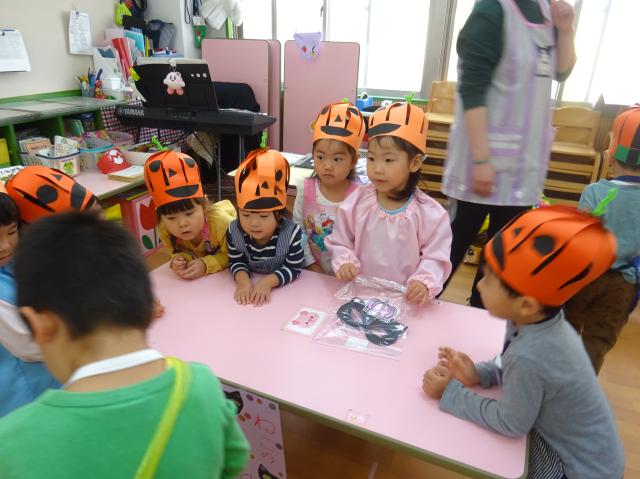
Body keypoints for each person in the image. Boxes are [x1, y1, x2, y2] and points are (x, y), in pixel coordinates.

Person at [0, 212, 250, 478]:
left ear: (40, 325)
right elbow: (234, 459)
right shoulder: (201, 386)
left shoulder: (13, 441)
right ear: (145, 298)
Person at [423, 205, 625, 478]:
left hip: (578, 469)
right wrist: (479, 374)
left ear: (526, 304)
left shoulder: (531, 354)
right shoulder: (538, 322)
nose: (479, 285)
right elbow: (513, 363)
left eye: (489, 279)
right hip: (582, 448)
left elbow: (511, 423)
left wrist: (450, 392)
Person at [441, 0, 577, 307]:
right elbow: (471, 89)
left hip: (522, 168)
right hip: (481, 161)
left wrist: (566, 29)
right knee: (450, 251)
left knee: (499, 263)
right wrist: (481, 160)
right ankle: (410, 317)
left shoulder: (547, 10)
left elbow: (561, 70)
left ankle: (480, 323)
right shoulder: (491, 10)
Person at [326, 102, 452, 305]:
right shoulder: (358, 201)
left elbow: (436, 257)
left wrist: (423, 281)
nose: (377, 168)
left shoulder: (430, 213)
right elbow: (340, 240)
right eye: (371, 158)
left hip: (405, 301)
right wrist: (344, 260)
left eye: (388, 160)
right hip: (359, 295)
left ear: (415, 163)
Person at [564, 105, 640, 372]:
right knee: (597, 341)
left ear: (610, 155)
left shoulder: (594, 191)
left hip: (587, 275)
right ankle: (582, 386)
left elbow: (580, 238)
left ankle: (557, 377)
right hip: (623, 285)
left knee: (566, 329)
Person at [0, 183, 59, 417]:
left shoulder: (15, 261)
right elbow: (30, 346)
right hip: (27, 395)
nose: (4, 246)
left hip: (51, 379)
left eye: (11, 232)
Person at [292, 102, 365, 274]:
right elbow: (298, 230)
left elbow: (363, 240)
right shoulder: (305, 189)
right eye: (320, 157)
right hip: (311, 271)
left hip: (347, 274)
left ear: (354, 160)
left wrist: (350, 267)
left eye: (337, 159)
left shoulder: (360, 196)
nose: (327, 166)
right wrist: (310, 264)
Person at [227, 148, 304, 306]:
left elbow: (294, 268)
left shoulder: (291, 234)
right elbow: (236, 261)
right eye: (246, 215)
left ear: (279, 214)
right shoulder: (234, 232)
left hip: (287, 298)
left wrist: (268, 282)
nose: (254, 223)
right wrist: (243, 281)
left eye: (263, 216)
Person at [144, 150, 236, 280]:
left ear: (204, 206)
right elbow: (178, 251)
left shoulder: (223, 224)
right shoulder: (165, 229)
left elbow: (235, 255)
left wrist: (206, 264)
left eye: (189, 213)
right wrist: (178, 259)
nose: (182, 223)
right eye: (171, 218)